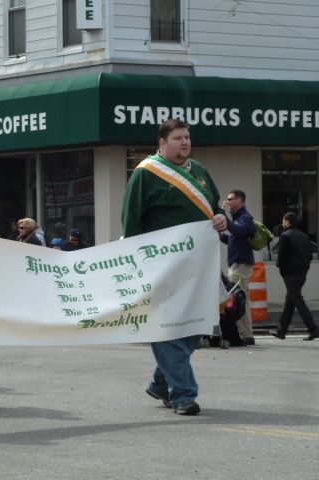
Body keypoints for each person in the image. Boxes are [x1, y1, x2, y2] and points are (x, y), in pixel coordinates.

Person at [122, 119, 227, 415]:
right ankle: (183, 394)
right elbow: (131, 221)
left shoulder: (201, 171)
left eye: (187, 138)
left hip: (199, 266)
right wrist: (138, 264)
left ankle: (160, 381)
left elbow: (216, 208)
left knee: (196, 327)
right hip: (162, 268)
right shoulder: (145, 174)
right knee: (167, 329)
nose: (185, 143)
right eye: (179, 138)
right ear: (163, 142)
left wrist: (221, 218)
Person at [270, 213, 319, 341]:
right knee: (290, 301)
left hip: (290, 273)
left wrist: (281, 269)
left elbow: (282, 257)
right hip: (302, 273)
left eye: (283, 221)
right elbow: (309, 255)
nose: (282, 223)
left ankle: (314, 328)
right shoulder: (304, 236)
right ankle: (282, 330)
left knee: (297, 300)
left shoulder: (285, 236)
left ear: (288, 222)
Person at [220, 190, 256, 346]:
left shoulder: (245, 217)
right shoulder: (238, 218)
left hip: (241, 264)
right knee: (241, 299)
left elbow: (239, 230)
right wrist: (222, 237)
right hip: (237, 263)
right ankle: (246, 333)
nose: (227, 201)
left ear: (240, 200)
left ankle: (245, 334)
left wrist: (224, 219)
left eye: (230, 199)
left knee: (238, 299)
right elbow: (234, 239)